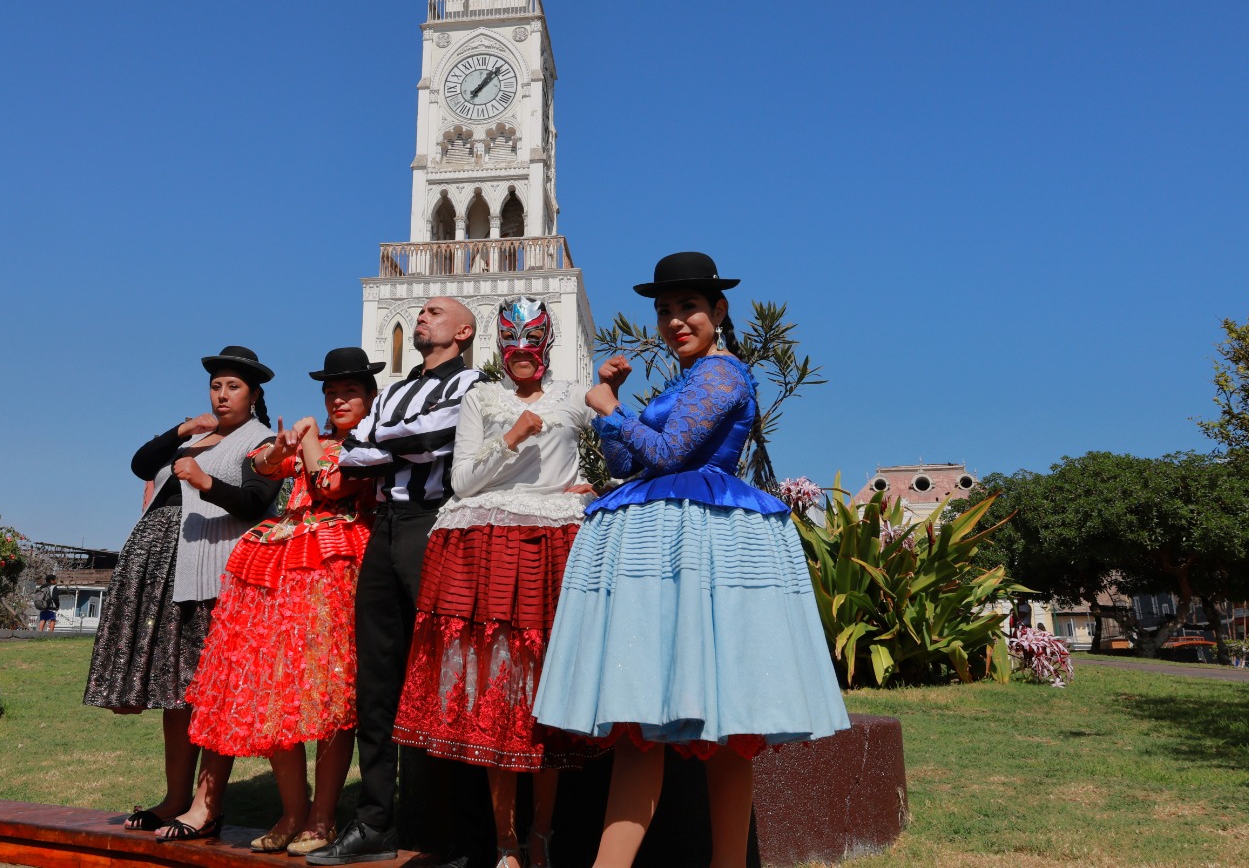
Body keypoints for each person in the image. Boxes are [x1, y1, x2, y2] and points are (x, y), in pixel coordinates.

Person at [533, 253, 851, 868]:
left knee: (726, 725)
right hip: (667, 539)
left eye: (689, 309)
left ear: (719, 311)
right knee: (642, 714)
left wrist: (608, 409)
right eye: (665, 311)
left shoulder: (724, 375)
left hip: (705, 538)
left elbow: (674, 453)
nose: (676, 321)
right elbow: (630, 464)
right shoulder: (684, 380)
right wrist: (616, 405)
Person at [394, 298, 595, 868]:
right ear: (499, 347)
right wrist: (510, 437)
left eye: (532, 341)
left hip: (553, 547)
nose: (522, 353)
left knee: (546, 694)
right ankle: (506, 843)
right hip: (488, 549)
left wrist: (593, 486)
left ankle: (543, 835)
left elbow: (617, 444)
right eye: (513, 343)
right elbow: (461, 481)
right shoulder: (483, 398)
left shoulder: (572, 395)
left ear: (548, 342)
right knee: (497, 689)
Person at [165, 348, 382, 854]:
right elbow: (260, 466)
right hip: (279, 571)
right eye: (332, 392)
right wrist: (281, 446)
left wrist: (304, 444)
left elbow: (332, 485)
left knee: (329, 695)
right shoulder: (317, 439)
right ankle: (292, 809)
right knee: (272, 688)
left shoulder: (372, 445)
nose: (338, 399)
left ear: (370, 399)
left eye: (350, 391)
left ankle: (322, 816)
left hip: (335, 570)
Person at [307, 296, 484, 866]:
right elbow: (353, 455)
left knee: (438, 674)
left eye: (435, 312)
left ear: (464, 330)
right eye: (421, 313)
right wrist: (389, 442)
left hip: (435, 526)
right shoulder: (392, 394)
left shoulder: (476, 385)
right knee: (376, 677)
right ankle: (376, 818)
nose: (422, 318)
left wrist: (384, 443)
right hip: (385, 532)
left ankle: (449, 831)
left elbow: (436, 438)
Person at [82, 346, 281, 836]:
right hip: (162, 572)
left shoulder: (263, 441)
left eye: (233, 386)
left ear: (254, 395)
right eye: (216, 386)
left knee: (210, 691)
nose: (221, 395)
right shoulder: (196, 438)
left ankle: (206, 806)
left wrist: (207, 480)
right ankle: (175, 798)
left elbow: (258, 504)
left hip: (212, 574)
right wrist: (182, 432)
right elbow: (140, 464)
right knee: (178, 692)